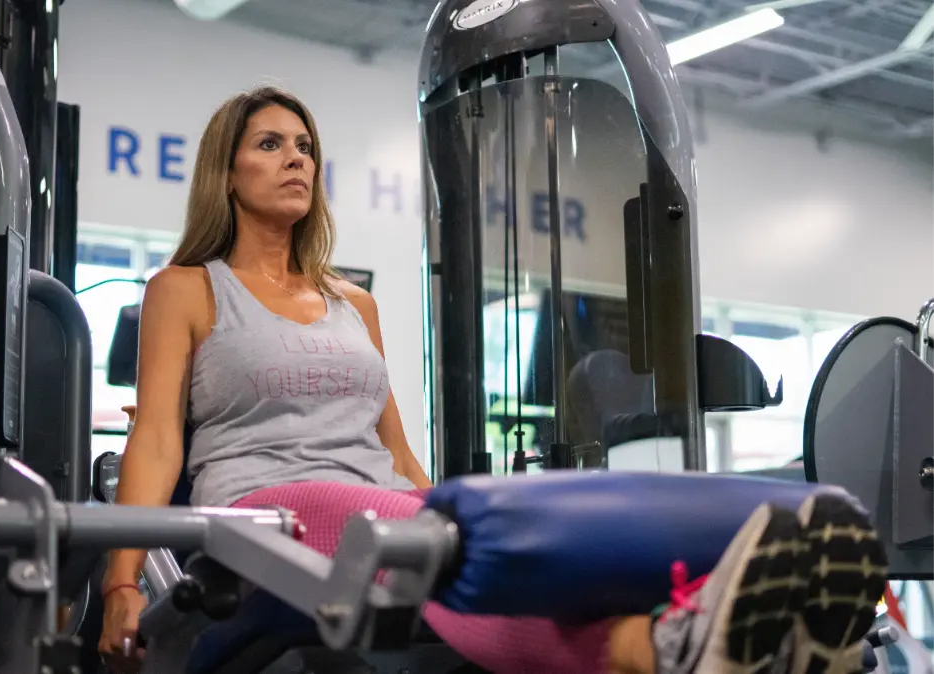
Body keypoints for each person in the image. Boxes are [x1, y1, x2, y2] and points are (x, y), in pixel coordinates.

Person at [98, 85, 887, 674]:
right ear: (225, 172)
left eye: (304, 145)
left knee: (513, 535)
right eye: (270, 144)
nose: (296, 157)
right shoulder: (186, 289)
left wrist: (449, 504)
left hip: (373, 513)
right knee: (400, 528)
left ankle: (746, 611)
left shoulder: (354, 303)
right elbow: (158, 437)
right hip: (259, 520)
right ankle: (651, 650)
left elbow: (394, 453)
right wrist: (122, 585)